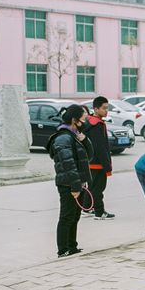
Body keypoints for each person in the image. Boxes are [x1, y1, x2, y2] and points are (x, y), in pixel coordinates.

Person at [46, 104, 93, 256]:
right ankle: (63, 249)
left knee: (75, 216)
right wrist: (75, 186)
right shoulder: (63, 138)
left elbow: (89, 156)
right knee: (66, 216)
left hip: (78, 182)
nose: (85, 121)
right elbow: (68, 164)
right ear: (74, 120)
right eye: (83, 119)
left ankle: (72, 246)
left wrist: (85, 140)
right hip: (68, 183)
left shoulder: (75, 135)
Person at [85, 96, 115, 220]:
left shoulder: (89, 122)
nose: (106, 111)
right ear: (96, 109)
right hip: (98, 163)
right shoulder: (97, 125)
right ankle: (99, 212)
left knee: (91, 187)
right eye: (104, 108)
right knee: (98, 188)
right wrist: (107, 165)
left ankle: (86, 208)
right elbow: (100, 147)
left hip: (90, 162)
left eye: (107, 108)